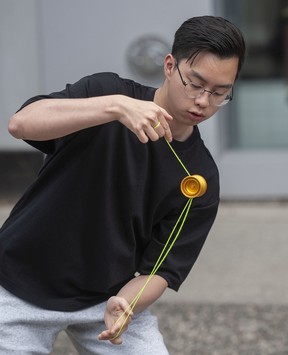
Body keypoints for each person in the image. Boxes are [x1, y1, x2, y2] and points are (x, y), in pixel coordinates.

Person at [0, 15, 245, 354]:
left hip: (107, 297)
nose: (204, 101)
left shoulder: (200, 178)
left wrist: (127, 304)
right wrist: (113, 107)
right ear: (170, 65)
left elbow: (160, 269)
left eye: (220, 93)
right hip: (18, 282)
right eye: (195, 83)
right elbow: (20, 124)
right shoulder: (108, 94)